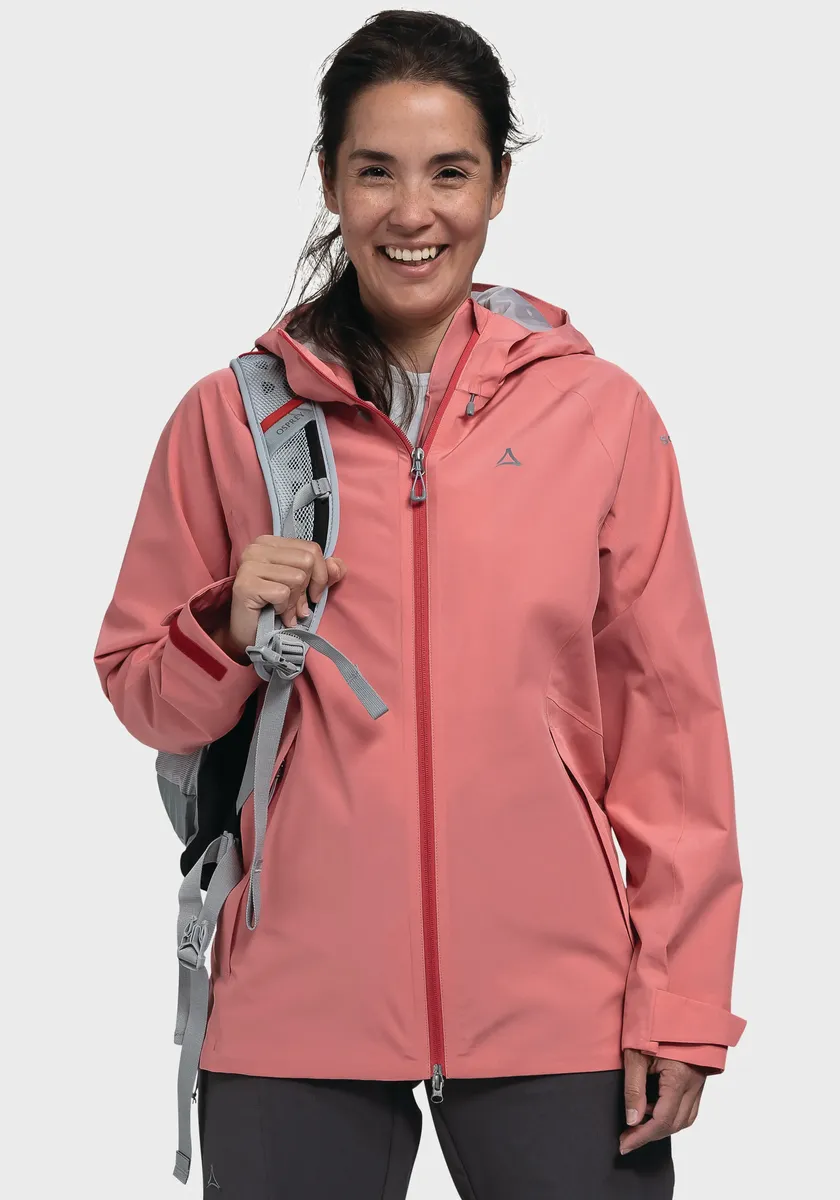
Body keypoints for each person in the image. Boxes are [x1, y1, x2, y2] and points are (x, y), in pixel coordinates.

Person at [93, 9, 746, 1197]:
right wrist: (225, 626)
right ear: (330, 182)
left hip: (559, 1006)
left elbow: (672, 733)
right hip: (294, 1000)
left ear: (498, 185)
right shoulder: (230, 419)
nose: (412, 212)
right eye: (375, 171)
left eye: (449, 172)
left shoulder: (600, 416)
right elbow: (143, 693)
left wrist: (683, 999)